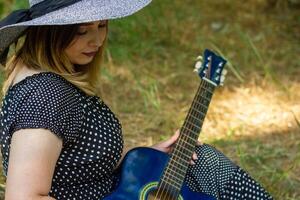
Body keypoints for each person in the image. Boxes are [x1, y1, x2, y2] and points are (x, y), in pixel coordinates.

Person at [0, 0, 273, 199]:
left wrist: (147, 156)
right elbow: (24, 197)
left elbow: (73, 161)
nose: (96, 39)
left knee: (201, 159)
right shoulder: (46, 95)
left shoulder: (51, 77)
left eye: (102, 25)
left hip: (117, 189)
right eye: (83, 31)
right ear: (50, 31)